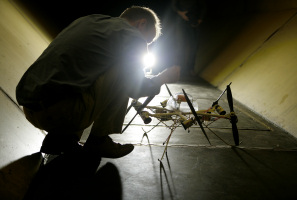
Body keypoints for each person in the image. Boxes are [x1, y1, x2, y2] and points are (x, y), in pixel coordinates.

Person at [16, 6, 180, 158]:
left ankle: (63, 139)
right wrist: (162, 78)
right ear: (141, 24)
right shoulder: (133, 37)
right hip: (58, 113)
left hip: (30, 107)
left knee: (92, 69)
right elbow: (134, 88)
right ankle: (98, 141)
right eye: (148, 41)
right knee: (123, 71)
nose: (146, 46)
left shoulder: (90, 20)